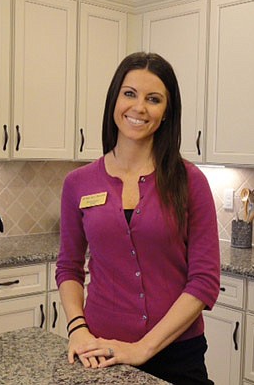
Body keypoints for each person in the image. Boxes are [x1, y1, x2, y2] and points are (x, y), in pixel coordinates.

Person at [55, 52, 220, 384]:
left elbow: (204, 281)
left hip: (178, 355)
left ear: (167, 112)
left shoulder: (190, 181)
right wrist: (77, 327)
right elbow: (69, 267)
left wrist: (143, 349)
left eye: (154, 99)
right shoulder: (78, 183)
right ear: (114, 100)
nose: (139, 107)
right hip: (100, 352)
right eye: (129, 93)